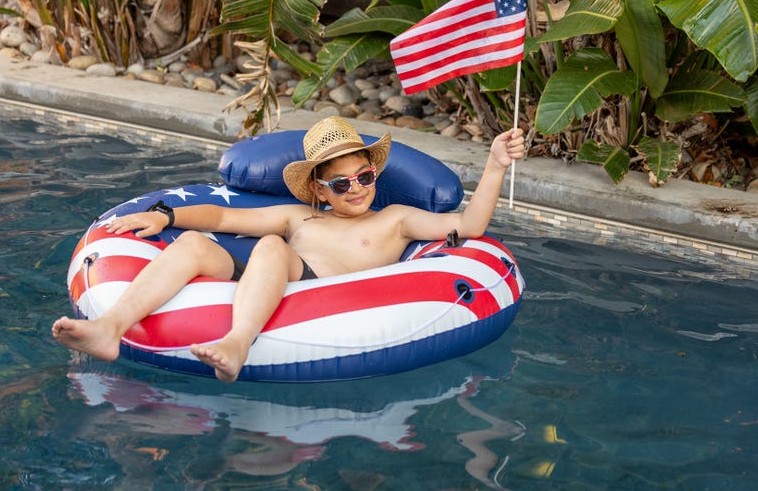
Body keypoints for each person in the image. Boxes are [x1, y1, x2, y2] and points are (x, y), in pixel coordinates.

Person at [52, 116, 526, 382]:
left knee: (273, 251)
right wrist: (165, 216)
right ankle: (109, 328)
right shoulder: (299, 216)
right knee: (199, 244)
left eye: (365, 177)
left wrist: (495, 165)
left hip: (318, 291)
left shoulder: (395, 220)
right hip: (260, 273)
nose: (357, 188)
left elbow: (468, 224)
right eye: (341, 183)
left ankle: (236, 345)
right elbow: (221, 218)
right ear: (319, 190)